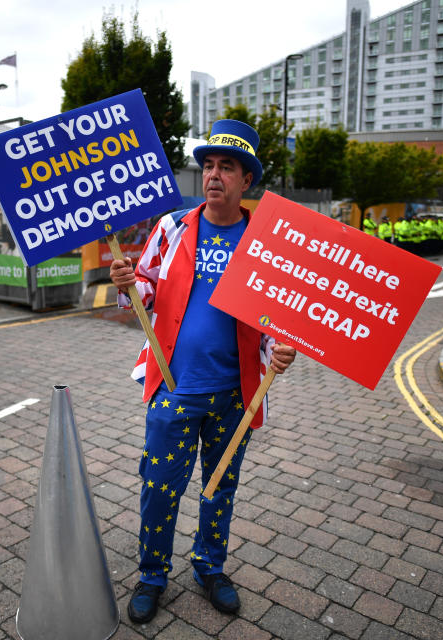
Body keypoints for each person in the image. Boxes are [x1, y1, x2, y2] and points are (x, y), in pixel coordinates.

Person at [109, 119, 296, 624]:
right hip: (173, 388)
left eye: (227, 167)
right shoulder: (171, 229)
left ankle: (209, 568)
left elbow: (283, 311)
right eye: (208, 165)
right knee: (159, 486)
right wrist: (127, 283)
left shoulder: (267, 240)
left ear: (247, 180)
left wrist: (282, 348)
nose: (214, 175)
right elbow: (144, 290)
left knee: (219, 488)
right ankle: (152, 575)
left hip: (237, 393)